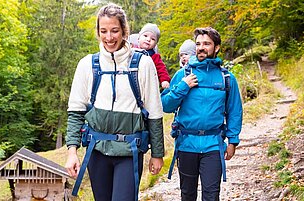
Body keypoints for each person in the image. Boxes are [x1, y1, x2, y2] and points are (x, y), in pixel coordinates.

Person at [65, 3, 164, 201]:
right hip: (97, 150)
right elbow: (76, 111)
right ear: (98, 32)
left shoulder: (142, 64)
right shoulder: (87, 65)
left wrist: (157, 153)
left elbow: (154, 111)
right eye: (103, 31)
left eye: (114, 30)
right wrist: (72, 151)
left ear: (125, 31)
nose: (109, 37)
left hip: (129, 151)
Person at [161, 27, 243, 201]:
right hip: (186, 144)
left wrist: (233, 141)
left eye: (206, 43)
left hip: (213, 144)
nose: (201, 47)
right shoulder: (183, 75)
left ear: (217, 47)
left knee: (211, 195)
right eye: (198, 44)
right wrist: (183, 86)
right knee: (188, 195)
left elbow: (235, 111)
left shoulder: (226, 78)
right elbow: (165, 105)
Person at [138, 23, 171, 89]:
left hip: (148, 85)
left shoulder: (154, 57)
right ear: (139, 38)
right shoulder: (131, 52)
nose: (148, 39)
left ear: (155, 44)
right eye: (145, 36)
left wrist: (164, 80)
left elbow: (161, 69)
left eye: (153, 39)